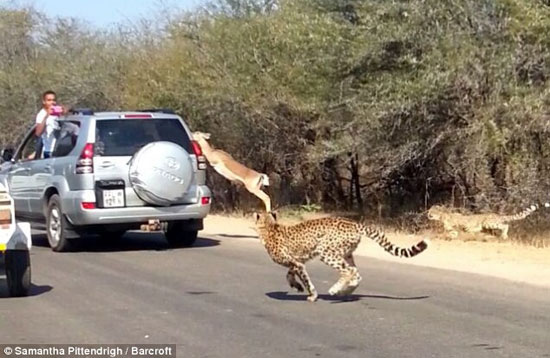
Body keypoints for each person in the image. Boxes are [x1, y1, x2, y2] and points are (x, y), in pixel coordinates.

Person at [34, 90, 67, 159]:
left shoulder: (57, 113)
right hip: (50, 151)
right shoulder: (41, 115)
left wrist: (64, 112)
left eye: (54, 100)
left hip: (63, 150)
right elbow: (38, 133)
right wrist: (47, 116)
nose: (52, 102)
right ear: (44, 102)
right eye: (49, 100)